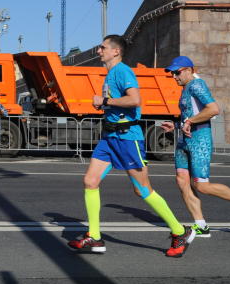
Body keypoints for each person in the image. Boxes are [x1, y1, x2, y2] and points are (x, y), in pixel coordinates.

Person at [67, 35, 192, 258]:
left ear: (115, 51)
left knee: (142, 189)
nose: (98, 51)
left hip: (127, 138)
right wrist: (106, 107)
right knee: (90, 181)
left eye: (102, 47)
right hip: (109, 138)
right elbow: (119, 103)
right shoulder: (110, 74)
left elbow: (135, 100)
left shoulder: (122, 71)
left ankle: (179, 231)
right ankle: (94, 237)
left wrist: (104, 102)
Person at [160, 56, 230, 237]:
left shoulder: (197, 85)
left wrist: (189, 121)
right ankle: (201, 225)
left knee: (202, 186)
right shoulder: (186, 88)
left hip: (199, 139)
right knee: (182, 180)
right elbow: (190, 114)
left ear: (190, 70)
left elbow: (213, 109)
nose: (174, 76)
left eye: (177, 72)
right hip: (184, 139)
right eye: (172, 73)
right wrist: (175, 125)